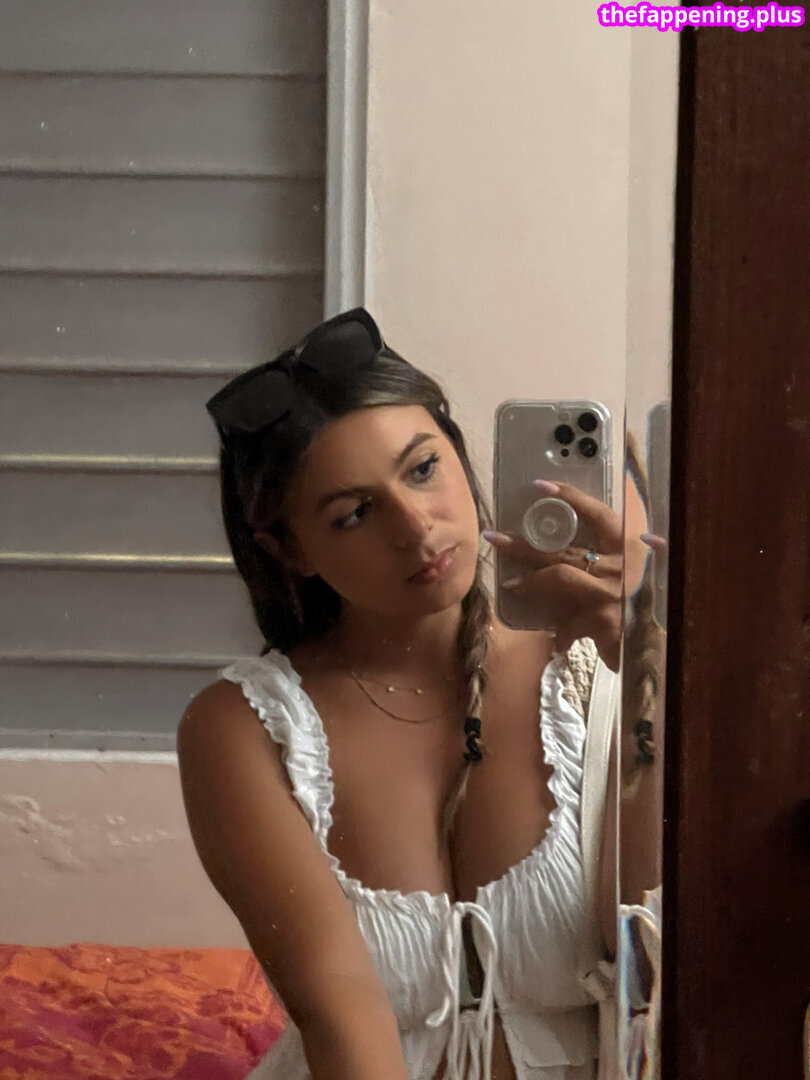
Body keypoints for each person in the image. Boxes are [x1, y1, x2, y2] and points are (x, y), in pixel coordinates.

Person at [177, 308, 648, 1080]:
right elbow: (341, 1014)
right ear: (288, 548)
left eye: (423, 469)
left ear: (459, 452)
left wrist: (652, 666)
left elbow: (648, 955)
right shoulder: (246, 728)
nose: (415, 525)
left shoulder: (596, 675)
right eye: (355, 513)